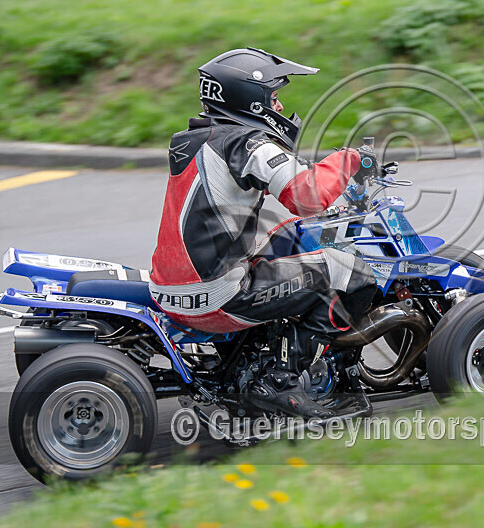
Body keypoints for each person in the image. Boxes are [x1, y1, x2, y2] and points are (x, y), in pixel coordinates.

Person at [149, 48, 376, 418]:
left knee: (291, 234)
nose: (281, 107)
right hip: (216, 294)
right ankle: (279, 380)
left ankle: (266, 352)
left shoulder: (194, 140)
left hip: (170, 287)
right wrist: (349, 159)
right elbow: (308, 195)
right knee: (356, 274)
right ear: (251, 101)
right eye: (274, 98)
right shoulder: (245, 142)